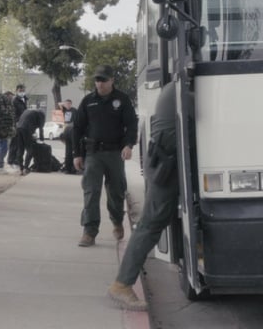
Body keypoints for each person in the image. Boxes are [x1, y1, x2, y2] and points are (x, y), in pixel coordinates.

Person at [108, 82, 180, 310]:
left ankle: (122, 284)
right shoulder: (184, 88)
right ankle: (122, 285)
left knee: (152, 223)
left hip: (163, 163)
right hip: (166, 166)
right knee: (151, 224)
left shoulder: (175, 88)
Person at [72, 64, 138, 247]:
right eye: (97, 80)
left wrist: (129, 145)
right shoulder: (88, 101)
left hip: (115, 153)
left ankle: (117, 221)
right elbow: (77, 129)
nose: (99, 84)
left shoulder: (122, 100)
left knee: (116, 192)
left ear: (112, 81)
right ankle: (89, 231)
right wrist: (77, 155)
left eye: (103, 80)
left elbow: (131, 124)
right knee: (91, 192)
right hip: (93, 153)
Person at [15, 107, 45, 174]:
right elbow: (41, 127)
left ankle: (21, 168)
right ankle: (26, 168)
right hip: (27, 129)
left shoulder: (28, 111)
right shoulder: (41, 114)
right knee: (30, 149)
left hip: (19, 128)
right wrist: (41, 139)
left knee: (20, 149)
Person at [0, 91, 15, 174]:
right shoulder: (3, 105)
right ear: (7, 96)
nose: (11, 99)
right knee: (3, 148)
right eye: (11, 97)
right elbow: (6, 118)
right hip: (2, 130)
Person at [7, 84, 27, 170]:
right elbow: (13, 113)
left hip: (23, 124)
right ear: (16, 91)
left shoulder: (24, 99)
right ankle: (11, 161)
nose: (22, 92)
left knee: (20, 144)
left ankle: (17, 161)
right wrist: (16, 122)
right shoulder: (15, 100)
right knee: (14, 144)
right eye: (20, 90)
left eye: (23, 90)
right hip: (17, 124)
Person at [59, 99, 78, 174]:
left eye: (68, 104)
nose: (67, 106)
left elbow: (77, 119)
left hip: (72, 127)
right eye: (66, 104)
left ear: (71, 104)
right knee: (68, 149)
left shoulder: (74, 110)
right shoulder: (64, 110)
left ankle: (73, 167)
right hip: (66, 128)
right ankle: (68, 168)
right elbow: (59, 104)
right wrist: (64, 104)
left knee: (73, 148)